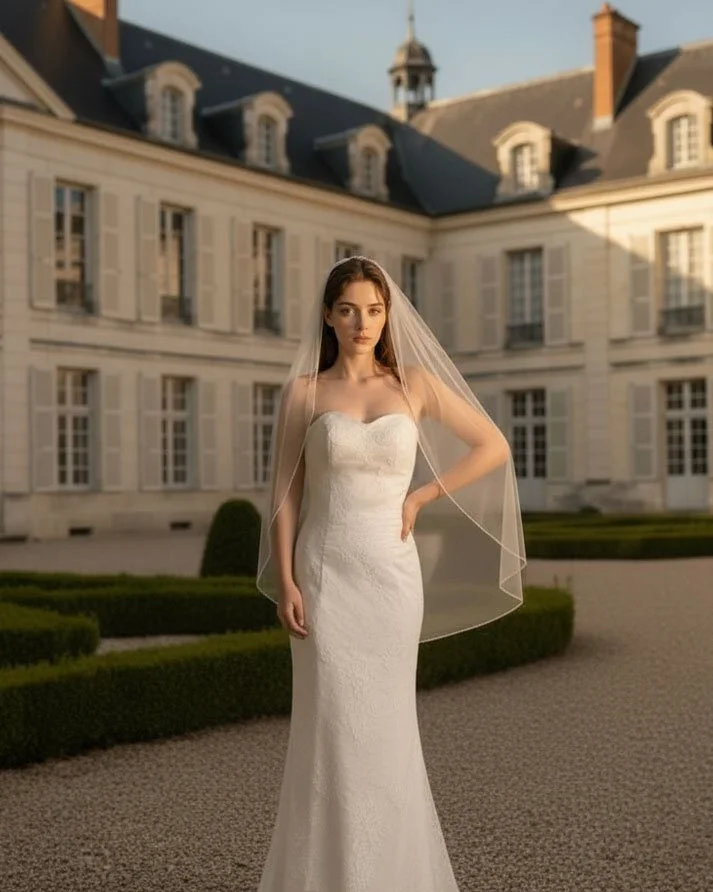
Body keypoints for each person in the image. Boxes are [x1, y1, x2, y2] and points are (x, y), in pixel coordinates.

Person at [254, 256, 526, 891]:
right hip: (325, 578)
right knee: (330, 737)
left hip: (392, 580)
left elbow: (494, 445)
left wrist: (422, 496)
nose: (362, 322)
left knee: (389, 735)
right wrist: (289, 582)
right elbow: (284, 494)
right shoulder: (305, 393)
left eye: (374, 310)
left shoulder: (415, 384)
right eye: (348, 309)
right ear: (328, 314)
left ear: (387, 315)